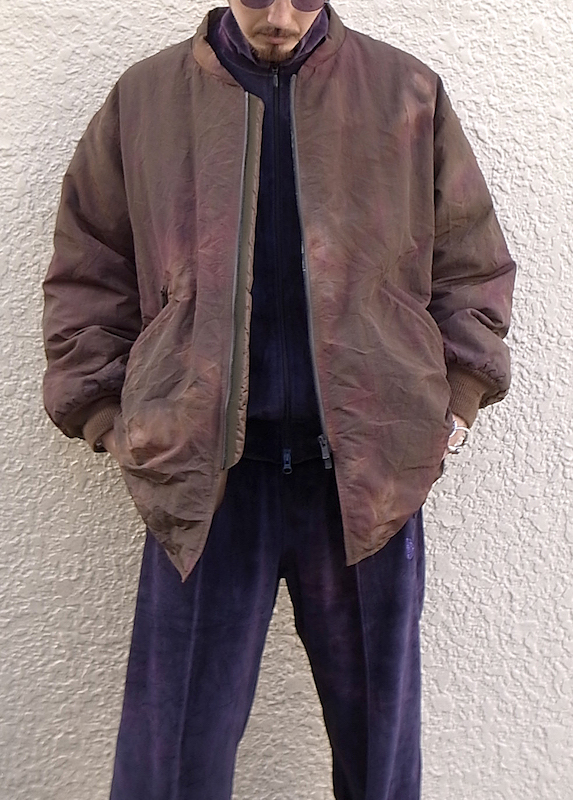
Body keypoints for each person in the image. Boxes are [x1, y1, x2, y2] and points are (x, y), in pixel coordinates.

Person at [42, 1, 515, 798]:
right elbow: (88, 268)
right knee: (173, 762)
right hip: (205, 481)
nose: (283, 18)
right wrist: (108, 416)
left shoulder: (404, 92)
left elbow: (472, 261)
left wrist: (458, 403)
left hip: (366, 477)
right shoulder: (148, 101)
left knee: (379, 758)